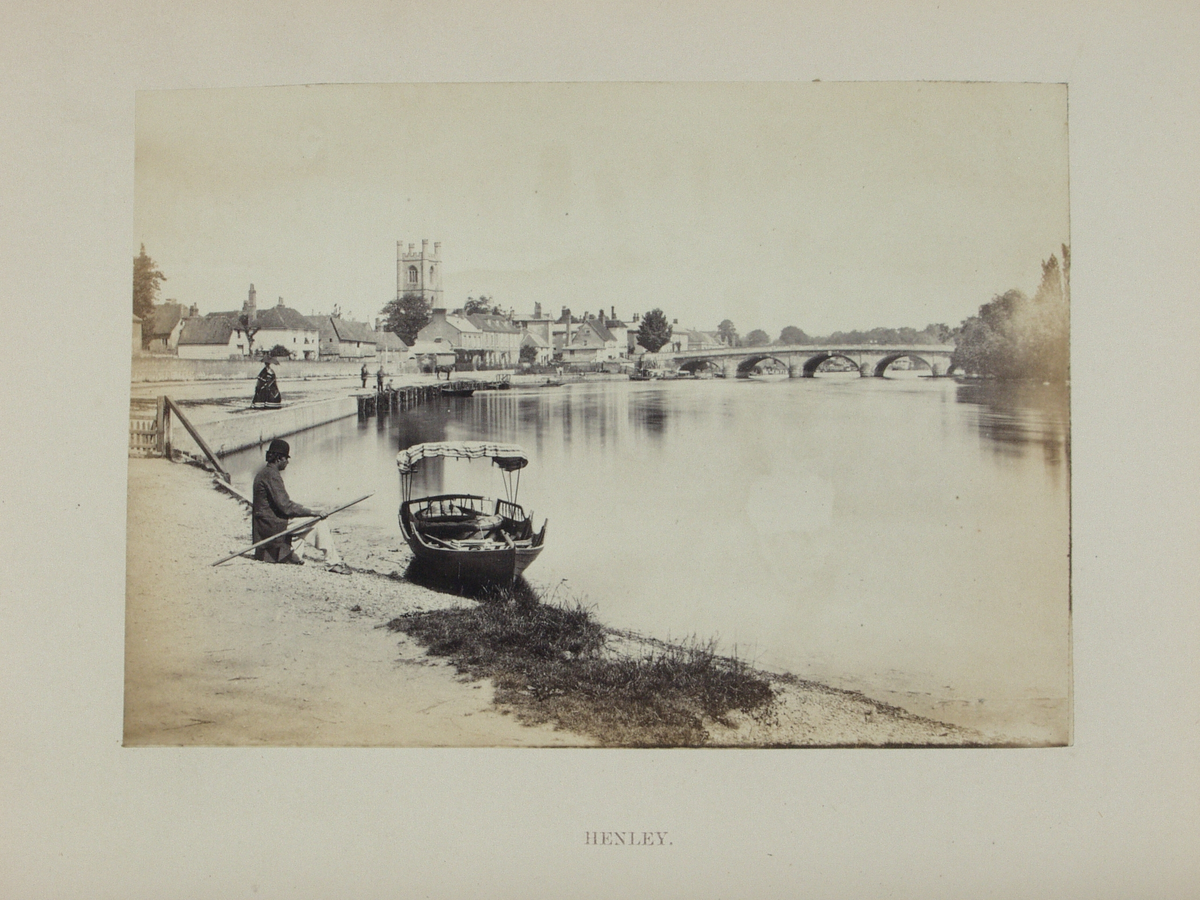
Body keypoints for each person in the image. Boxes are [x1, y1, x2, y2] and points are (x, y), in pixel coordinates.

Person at [252, 439, 344, 569]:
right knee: (317, 522)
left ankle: (293, 556)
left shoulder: (264, 473)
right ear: (279, 459)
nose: (287, 462)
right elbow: (286, 507)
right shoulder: (272, 475)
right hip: (271, 524)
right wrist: (313, 512)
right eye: (286, 458)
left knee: (301, 521)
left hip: (265, 522)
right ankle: (333, 562)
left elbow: (283, 506)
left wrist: (304, 510)